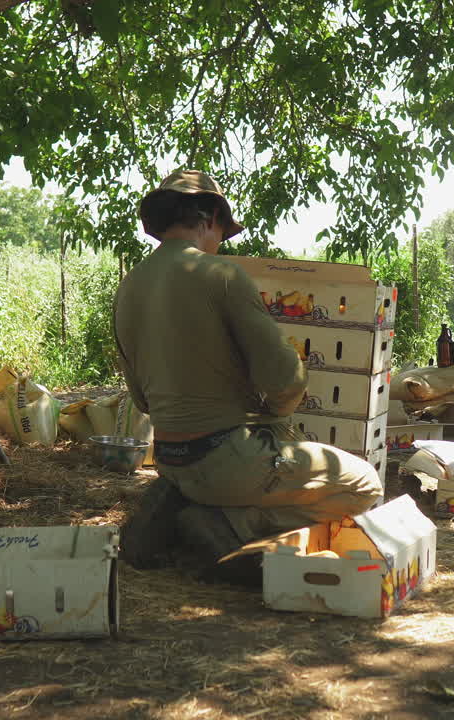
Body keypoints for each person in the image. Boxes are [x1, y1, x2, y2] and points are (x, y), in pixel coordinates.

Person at [114, 170, 383, 583]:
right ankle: (225, 524)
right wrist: (276, 414)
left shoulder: (129, 286)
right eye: (222, 231)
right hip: (228, 461)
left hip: (169, 458)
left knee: (238, 462)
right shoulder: (221, 275)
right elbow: (284, 379)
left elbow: (144, 400)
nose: (220, 241)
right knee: (365, 484)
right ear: (208, 220)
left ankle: (185, 499)